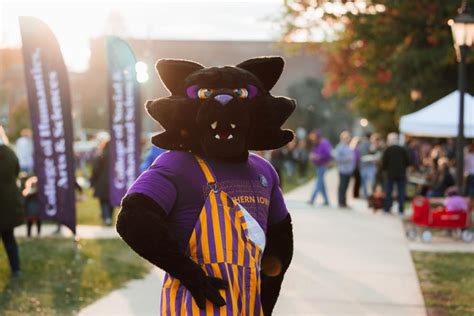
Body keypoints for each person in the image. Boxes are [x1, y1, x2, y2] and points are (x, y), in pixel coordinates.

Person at [116, 57, 294, 315]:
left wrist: (267, 296)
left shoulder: (263, 171)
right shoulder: (177, 165)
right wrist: (189, 274)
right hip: (196, 306)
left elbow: (280, 240)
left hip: (247, 307)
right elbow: (133, 220)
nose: (224, 102)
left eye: (240, 94)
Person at [0, 129, 23, 277]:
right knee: (9, 238)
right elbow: (16, 171)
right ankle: (16, 269)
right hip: (8, 203)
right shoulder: (9, 152)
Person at [382, 133, 411, 214]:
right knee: (401, 192)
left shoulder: (388, 150)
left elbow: (384, 163)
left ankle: (387, 208)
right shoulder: (403, 149)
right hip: (401, 174)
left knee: (389, 192)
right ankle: (401, 210)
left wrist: (384, 170)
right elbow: (408, 162)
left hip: (390, 174)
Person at [90, 139, 113, 226]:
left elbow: (95, 170)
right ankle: (109, 217)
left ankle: (106, 217)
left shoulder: (101, 156)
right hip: (113, 182)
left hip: (101, 182)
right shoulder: (116, 157)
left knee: (103, 201)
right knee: (111, 201)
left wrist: (92, 182)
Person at [307, 130, 332, 206]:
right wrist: (312, 156)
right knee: (322, 184)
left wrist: (318, 157)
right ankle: (326, 200)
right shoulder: (317, 144)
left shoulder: (324, 143)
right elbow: (314, 152)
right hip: (318, 166)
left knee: (319, 183)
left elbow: (328, 154)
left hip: (323, 165)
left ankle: (312, 199)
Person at [334, 131, 355, 208]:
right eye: (346, 138)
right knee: (342, 187)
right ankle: (341, 203)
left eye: (348, 138)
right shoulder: (339, 147)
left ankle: (344, 202)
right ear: (342, 138)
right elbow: (337, 158)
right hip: (342, 170)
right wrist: (346, 159)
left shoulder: (348, 147)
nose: (348, 139)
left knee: (346, 187)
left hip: (348, 170)